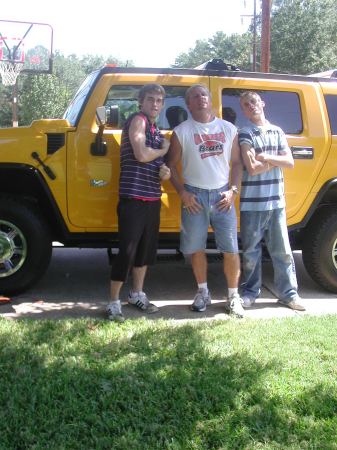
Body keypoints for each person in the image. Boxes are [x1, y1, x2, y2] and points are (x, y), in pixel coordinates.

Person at [167, 84, 245, 318]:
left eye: (203, 95)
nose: (200, 98)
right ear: (188, 105)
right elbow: (170, 165)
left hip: (223, 196)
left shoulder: (228, 128)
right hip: (194, 196)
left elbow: (238, 163)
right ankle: (203, 292)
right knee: (196, 248)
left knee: (231, 248)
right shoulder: (181, 131)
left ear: (210, 101)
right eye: (194, 96)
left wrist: (233, 190)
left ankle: (233, 296)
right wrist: (182, 193)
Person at [107, 83, 171, 321]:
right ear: (140, 101)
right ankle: (114, 303)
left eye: (159, 100)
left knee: (144, 252)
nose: (155, 103)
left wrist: (166, 172)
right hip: (133, 197)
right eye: (151, 99)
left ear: (163, 104)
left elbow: (158, 166)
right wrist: (163, 150)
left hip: (153, 198)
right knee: (127, 251)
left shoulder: (156, 131)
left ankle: (136, 294)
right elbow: (141, 154)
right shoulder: (138, 120)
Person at [238, 91, 305, 311]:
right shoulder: (245, 132)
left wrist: (266, 157)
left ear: (262, 103)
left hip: (276, 203)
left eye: (254, 101)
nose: (251, 106)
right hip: (251, 203)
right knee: (250, 252)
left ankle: (289, 295)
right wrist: (278, 161)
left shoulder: (277, 131)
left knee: (282, 250)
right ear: (243, 110)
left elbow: (291, 163)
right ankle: (250, 293)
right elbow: (251, 168)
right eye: (246, 104)